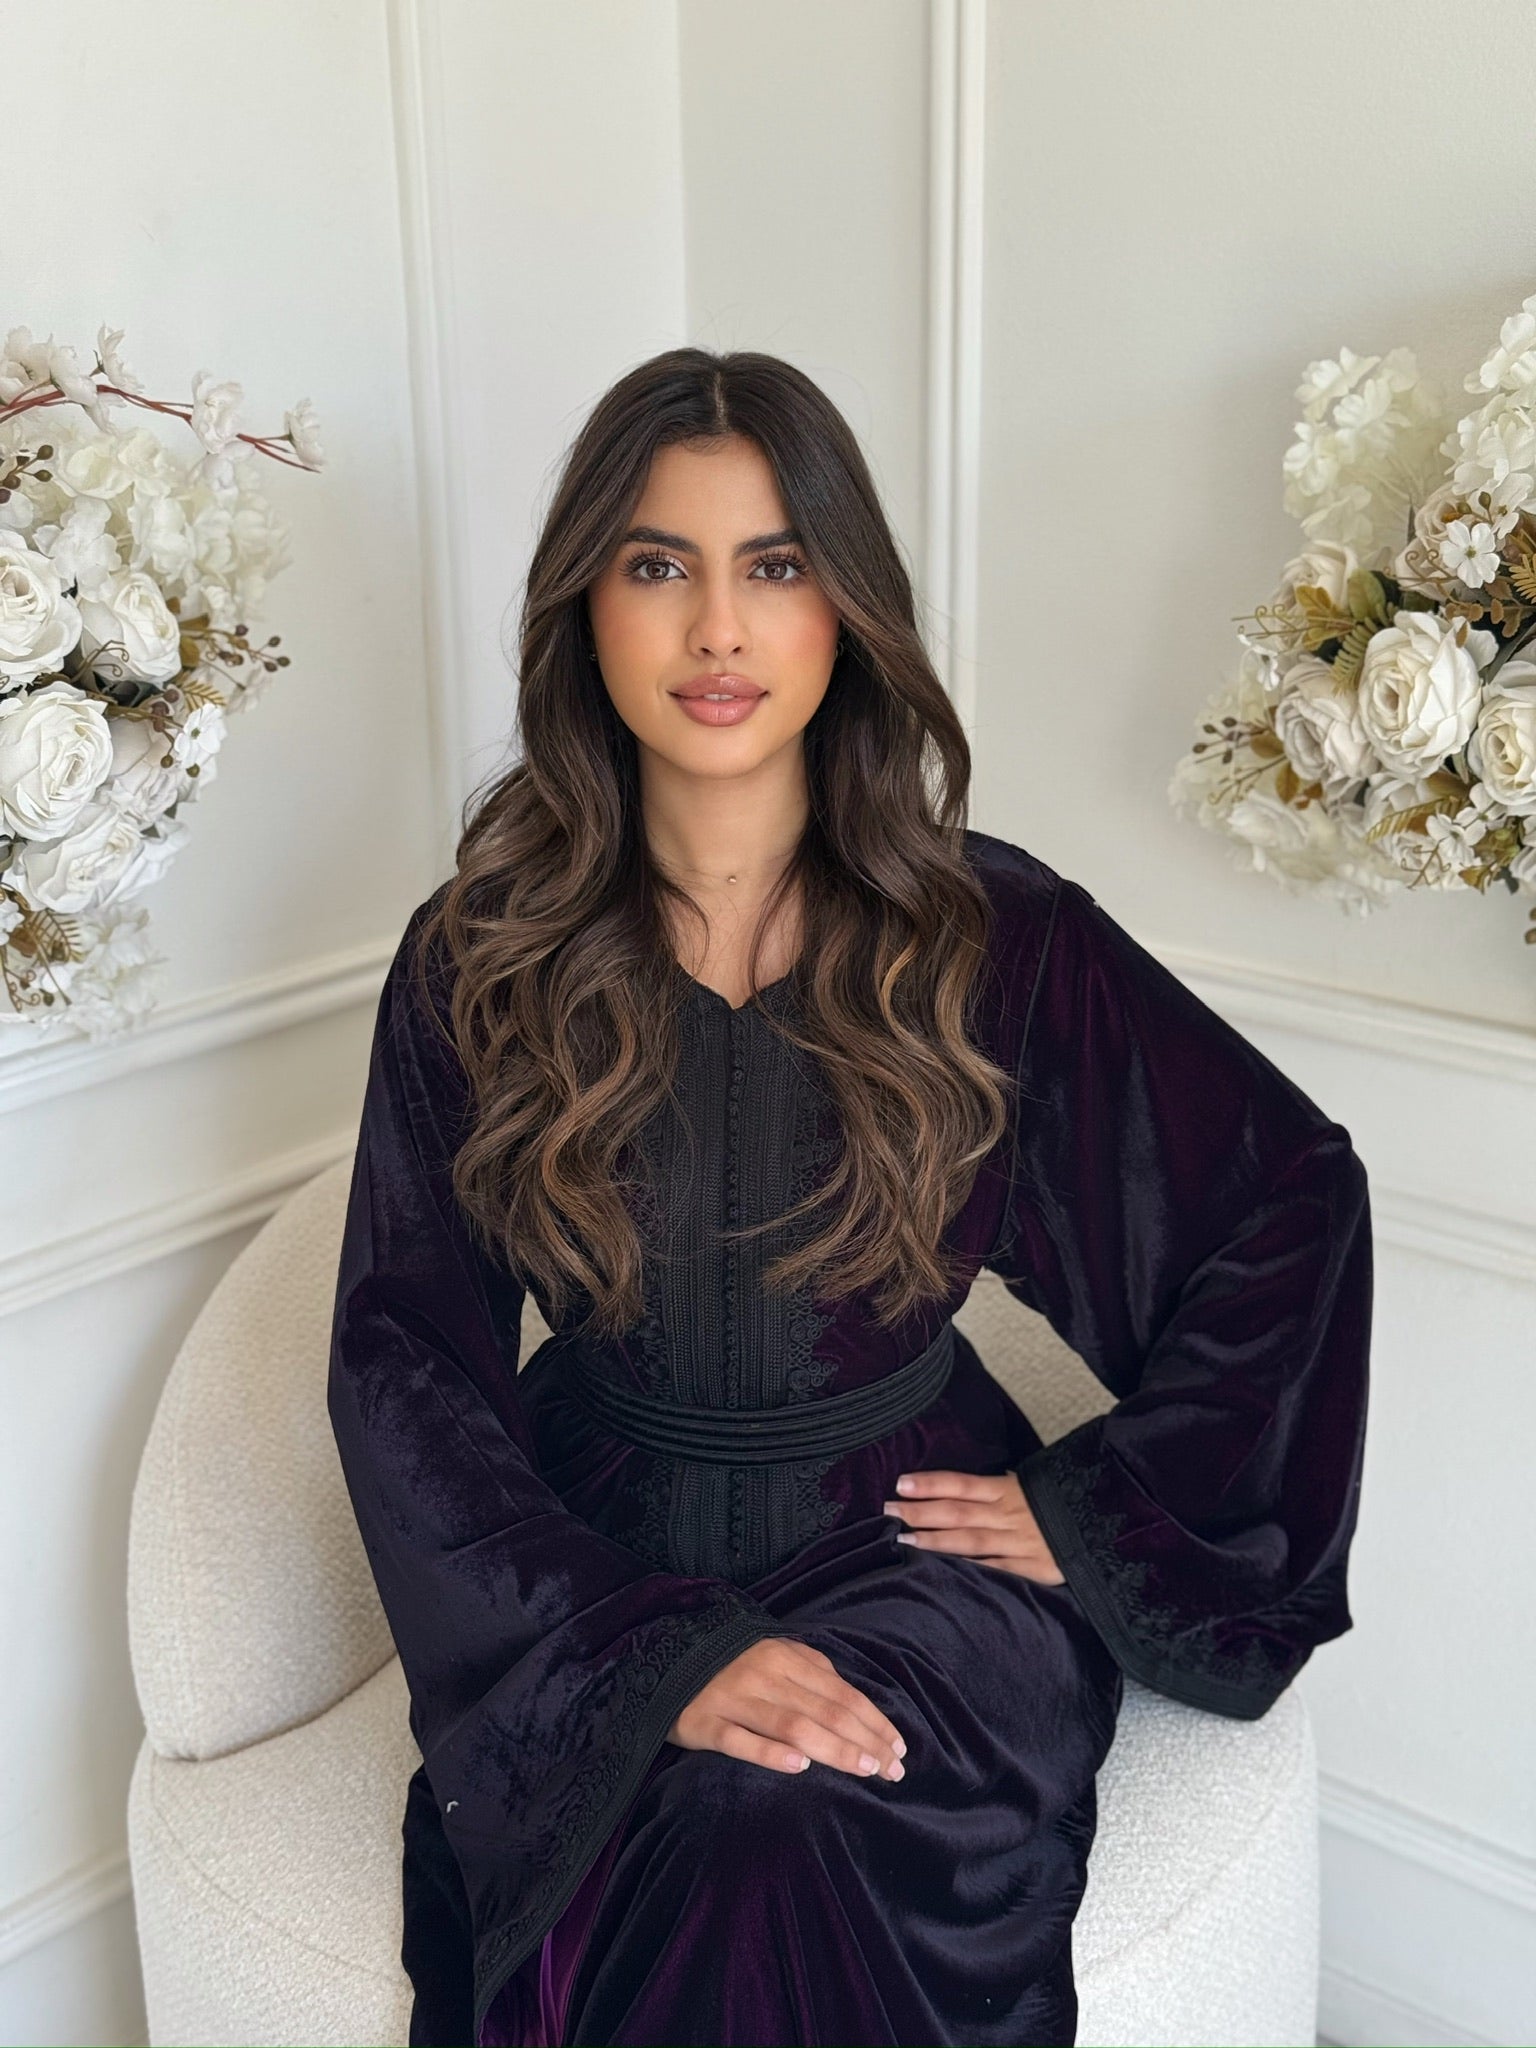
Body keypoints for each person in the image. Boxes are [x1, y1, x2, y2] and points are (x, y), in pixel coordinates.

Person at [326, 348, 1373, 2048]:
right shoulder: (480, 957)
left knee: (787, 1821)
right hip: (593, 1559)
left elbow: (1287, 1201)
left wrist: (1105, 1512)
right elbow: (400, 1356)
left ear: (847, 612)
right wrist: (641, 1659)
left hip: (914, 1546)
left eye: (777, 567)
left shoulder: (993, 936)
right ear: (586, 607)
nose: (718, 632)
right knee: (683, 1823)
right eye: (660, 566)